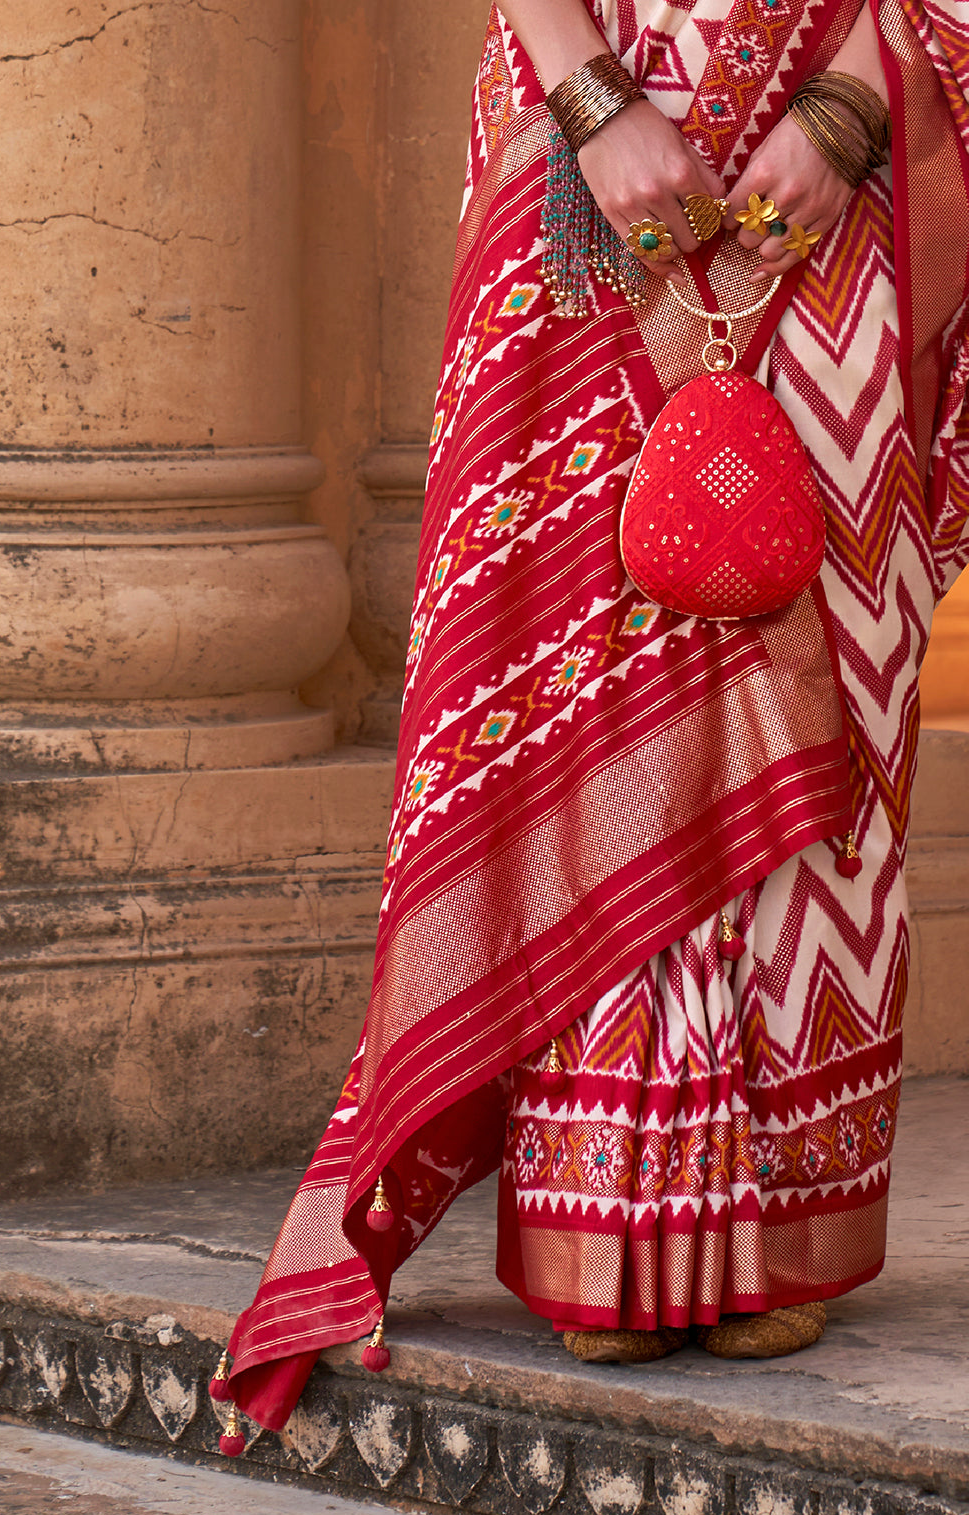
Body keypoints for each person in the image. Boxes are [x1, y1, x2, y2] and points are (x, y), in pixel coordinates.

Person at [214, 0, 969, 1434]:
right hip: (588, 161)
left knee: (824, 639)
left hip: (839, 157)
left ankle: (788, 1218)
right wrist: (595, 102)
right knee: (570, 658)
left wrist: (856, 106)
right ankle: (606, 1219)